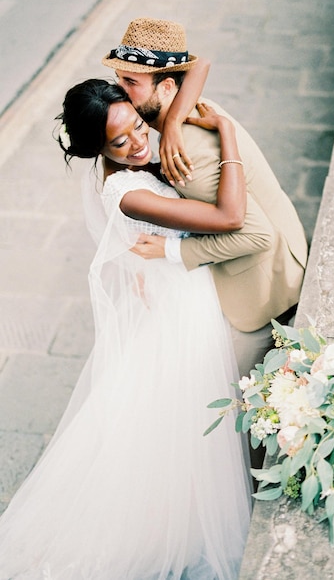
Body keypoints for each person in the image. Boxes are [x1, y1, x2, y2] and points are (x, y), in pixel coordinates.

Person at [0, 80, 253, 580]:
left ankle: (179, 521)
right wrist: (225, 129)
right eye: (121, 141)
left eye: (139, 124)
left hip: (178, 295)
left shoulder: (137, 163)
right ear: (100, 149)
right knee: (182, 420)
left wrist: (171, 118)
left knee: (178, 422)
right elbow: (230, 216)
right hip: (180, 308)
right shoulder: (126, 192)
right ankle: (160, 531)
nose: (140, 141)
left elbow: (194, 65)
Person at [102, 17, 308, 377]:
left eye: (130, 82)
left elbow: (254, 233)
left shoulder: (186, 154)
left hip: (262, 289)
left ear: (167, 87)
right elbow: (199, 66)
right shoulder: (188, 107)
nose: (119, 90)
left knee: (223, 402)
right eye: (119, 78)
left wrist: (171, 251)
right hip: (281, 250)